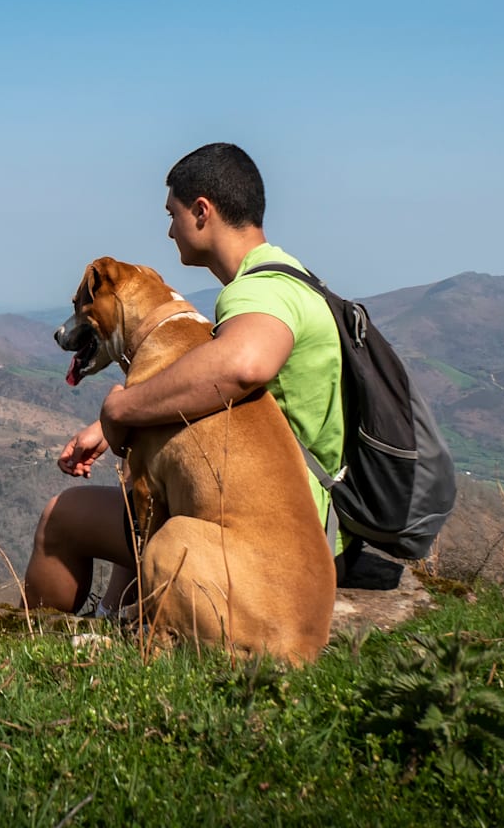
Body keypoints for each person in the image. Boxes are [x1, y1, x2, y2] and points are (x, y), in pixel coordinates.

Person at [22, 141, 346, 614]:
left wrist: (120, 409)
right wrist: (106, 429)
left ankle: (40, 643)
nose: (169, 230)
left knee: (61, 518)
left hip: (272, 536)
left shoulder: (259, 293)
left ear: (201, 211)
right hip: (279, 517)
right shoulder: (292, 277)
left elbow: (242, 367)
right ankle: (118, 624)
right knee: (143, 495)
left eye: (172, 214)